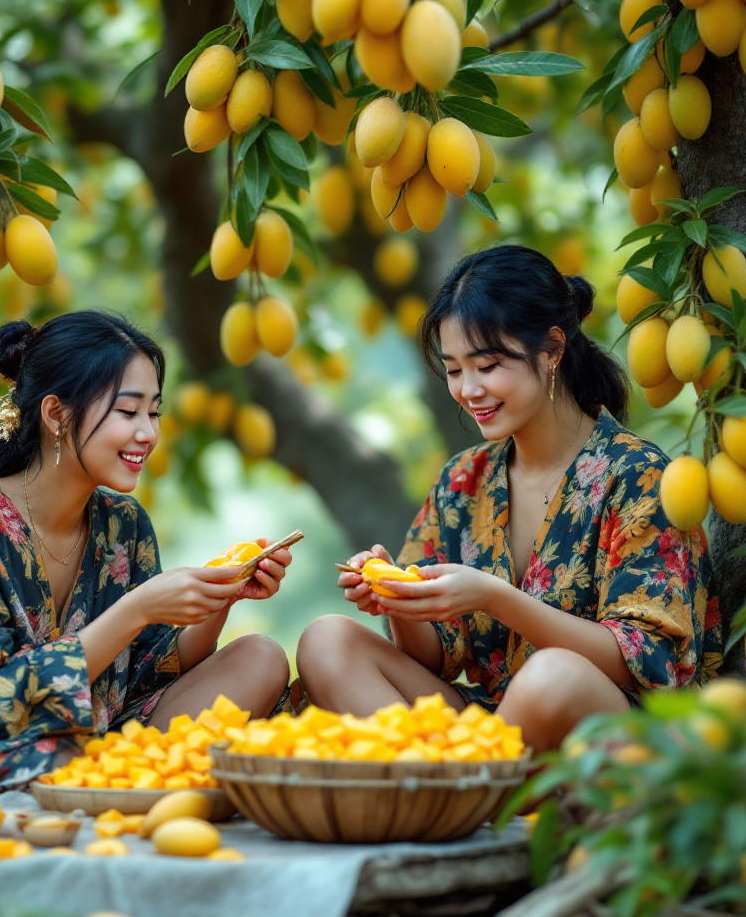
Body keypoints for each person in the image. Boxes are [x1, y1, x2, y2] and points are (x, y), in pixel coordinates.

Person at [0, 312, 292, 798]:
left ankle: (123, 784)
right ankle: (126, 786)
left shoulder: (124, 523)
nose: (148, 434)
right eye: (128, 412)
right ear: (56, 414)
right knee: (58, 757)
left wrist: (217, 598)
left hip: (90, 745)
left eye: (154, 412)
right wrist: (135, 609)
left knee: (260, 657)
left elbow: (145, 674)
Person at [297, 245, 722, 751]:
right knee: (328, 641)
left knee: (553, 676)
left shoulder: (639, 477)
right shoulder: (463, 481)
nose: (469, 389)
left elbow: (646, 663)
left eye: (488, 365)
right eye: (454, 370)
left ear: (552, 350)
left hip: (605, 736)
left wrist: (495, 597)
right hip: (498, 735)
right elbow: (434, 659)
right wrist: (400, 603)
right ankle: (456, 788)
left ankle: (453, 789)